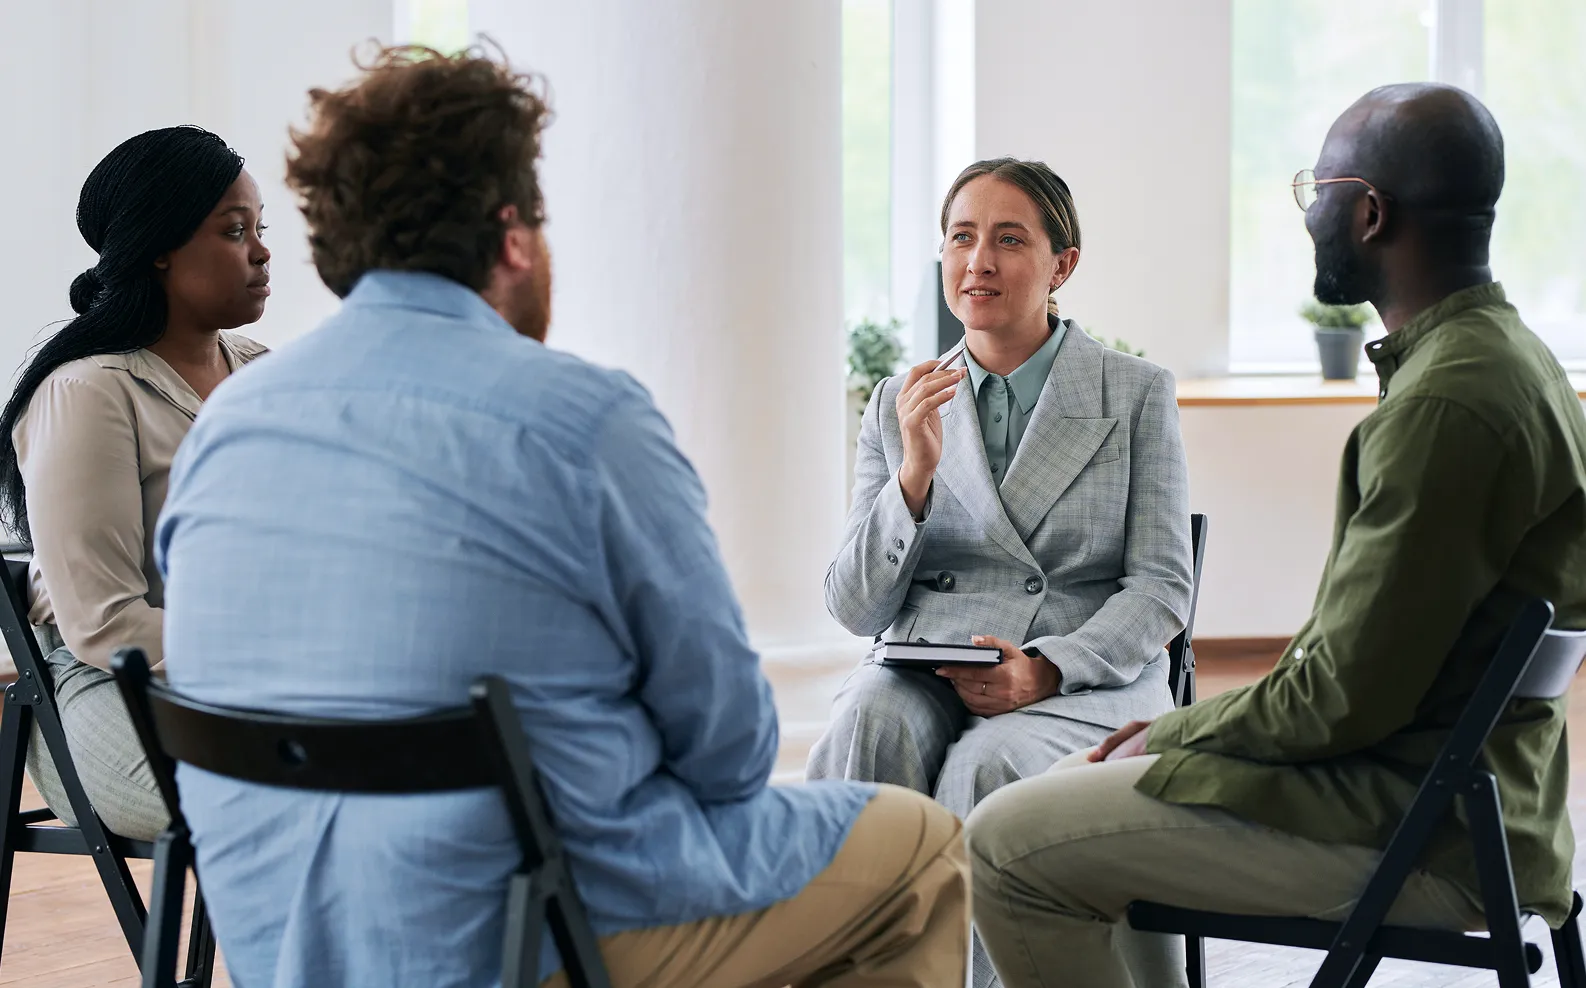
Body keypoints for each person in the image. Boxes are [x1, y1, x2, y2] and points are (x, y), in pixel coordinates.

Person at [155, 45, 968, 988]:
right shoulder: (585, 420)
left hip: (291, 947)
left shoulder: (226, 427)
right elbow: (733, 749)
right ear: (512, 235)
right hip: (529, 940)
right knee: (922, 849)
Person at [964, 82, 1586, 988]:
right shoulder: (1508, 361)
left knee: (1007, 842)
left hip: (1412, 827)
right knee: (1081, 813)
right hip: (1468, 802)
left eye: (1318, 191)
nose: (1309, 217)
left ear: (1369, 213)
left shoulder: (1448, 403)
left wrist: (1176, 736)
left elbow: (1339, 698)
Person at [806, 157, 1192, 987]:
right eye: (961, 237)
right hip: (928, 665)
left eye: (1009, 240)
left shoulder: (1134, 394)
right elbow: (852, 605)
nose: (978, 261)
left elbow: (1163, 586)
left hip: (1084, 678)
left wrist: (1045, 670)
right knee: (867, 721)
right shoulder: (896, 401)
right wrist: (911, 476)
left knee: (988, 765)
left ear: (1063, 264)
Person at [0, 126, 270, 840]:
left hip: (258, 678)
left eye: (259, 228)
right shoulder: (90, 392)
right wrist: (273, 656)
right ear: (160, 248)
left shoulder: (264, 372)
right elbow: (105, 625)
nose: (263, 252)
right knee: (289, 802)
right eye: (235, 231)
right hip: (116, 691)